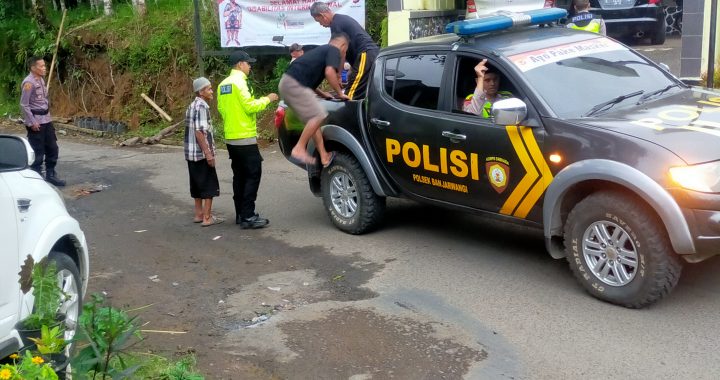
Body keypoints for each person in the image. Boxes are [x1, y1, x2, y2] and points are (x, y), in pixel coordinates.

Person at [217, 50, 279, 229]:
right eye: (248, 63)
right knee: (253, 174)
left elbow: (221, 109)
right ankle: (248, 216)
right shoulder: (239, 82)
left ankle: (240, 214)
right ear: (240, 64)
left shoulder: (223, 85)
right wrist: (268, 99)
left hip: (231, 137)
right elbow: (250, 106)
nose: (250, 66)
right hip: (244, 137)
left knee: (239, 176)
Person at [278, 33, 349, 166]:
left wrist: (322, 93)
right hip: (294, 85)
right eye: (345, 51)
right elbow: (329, 72)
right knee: (318, 115)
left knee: (313, 121)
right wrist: (340, 93)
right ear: (343, 46)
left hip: (287, 84)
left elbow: (304, 77)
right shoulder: (333, 50)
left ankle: (324, 156)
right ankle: (299, 148)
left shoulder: (317, 54)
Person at [310, 1, 379, 100]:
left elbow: (341, 52)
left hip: (366, 54)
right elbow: (344, 50)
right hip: (368, 55)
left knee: (350, 95)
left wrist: (338, 75)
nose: (321, 24)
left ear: (322, 15)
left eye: (319, 21)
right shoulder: (340, 20)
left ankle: (347, 114)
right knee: (363, 92)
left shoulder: (336, 24)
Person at [20, 56, 65, 187]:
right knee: (38, 151)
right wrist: (32, 122)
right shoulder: (28, 83)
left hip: (46, 120)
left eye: (45, 66)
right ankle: (37, 178)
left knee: (52, 148)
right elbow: (24, 104)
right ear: (33, 68)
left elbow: (42, 101)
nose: (44, 68)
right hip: (36, 122)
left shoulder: (40, 80)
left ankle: (51, 174)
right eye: (41, 66)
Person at [185, 77, 222, 227]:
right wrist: (208, 154)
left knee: (196, 183)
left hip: (191, 153)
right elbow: (200, 132)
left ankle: (198, 214)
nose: (212, 91)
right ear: (201, 92)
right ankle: (207, 217)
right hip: (201, 154)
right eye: (209, 89)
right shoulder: (202, 107)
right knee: (208, 184)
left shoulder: (192, 105)